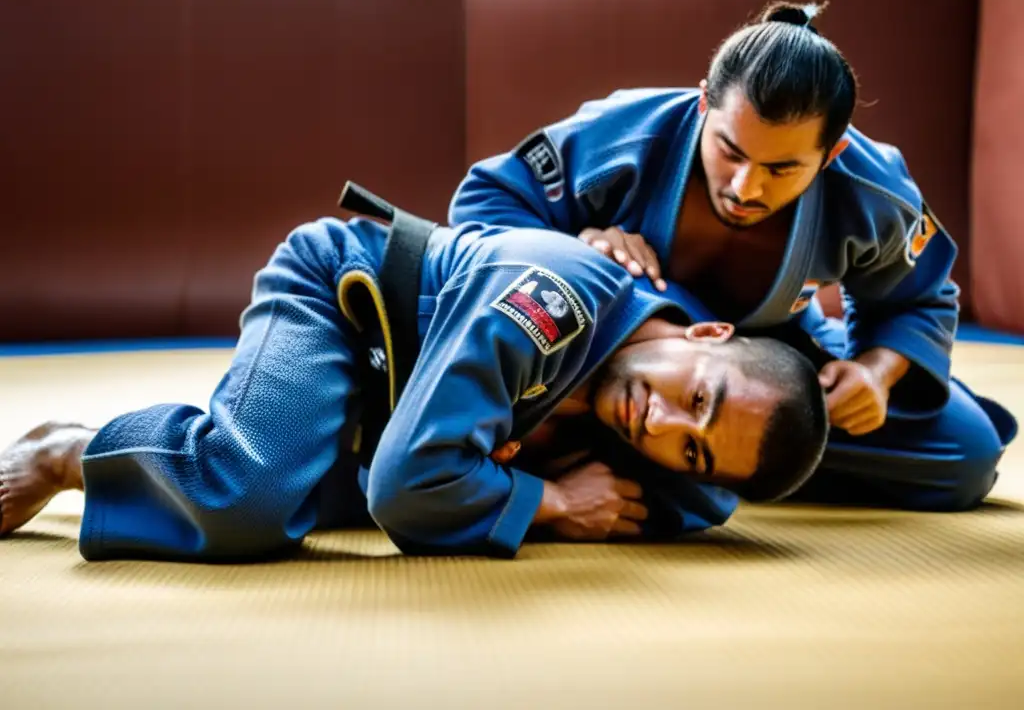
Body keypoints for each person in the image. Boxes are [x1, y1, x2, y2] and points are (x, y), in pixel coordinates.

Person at [0, 187, 829, 563]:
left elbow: (717, 491)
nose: (665, 427)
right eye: (698, 397)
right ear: (709, 331)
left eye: (693, 450)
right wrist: (548, 502)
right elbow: (406, 489)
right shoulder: (557, 297)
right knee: (246, 500)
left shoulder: (699, 469)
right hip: (344, 303)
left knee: (302, 511)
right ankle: (65, 451)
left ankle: (242, 435)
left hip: (390, 418)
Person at [448, 0, 1018, 512]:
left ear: (832, 152)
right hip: (634, 368)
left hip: (771, 368)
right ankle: (686, 466)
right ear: (703, 104)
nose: (746, 187)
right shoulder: (625, 134)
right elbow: (484, 202)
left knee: (966, 457)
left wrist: (876, 371)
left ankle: (711, 469)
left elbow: (920, 298)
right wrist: (575, 252)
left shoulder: (873, 193)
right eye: (729, 150)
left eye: (782, 169)